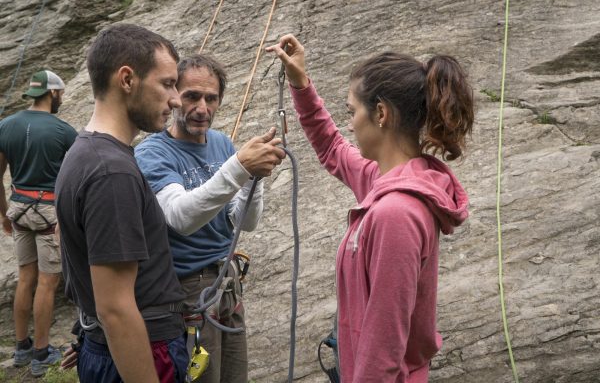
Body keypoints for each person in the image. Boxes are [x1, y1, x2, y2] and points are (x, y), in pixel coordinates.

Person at [267, 35, 473, 382]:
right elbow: (331, 146)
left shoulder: (397, 214)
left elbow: (384, 346)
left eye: (352, 112)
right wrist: (300, 83)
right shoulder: (385, 179)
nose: (349, 123)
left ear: (381, 114)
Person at [134, 54, 286, 383]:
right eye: (191, 96)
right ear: (174, 95)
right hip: (187, 292)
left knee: (234, 375)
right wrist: (240, 168)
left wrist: (253, 181)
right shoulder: (152, 153)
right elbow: (180, 217)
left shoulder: (221, 143)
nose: (202, 108)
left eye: (211, 98)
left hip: (227, 281)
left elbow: (243, 223)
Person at [55, 24, 189, 383]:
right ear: (127, 79)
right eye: (167, 84)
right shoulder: (111, 172)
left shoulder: (84, 153)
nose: (176, 100)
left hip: (112, 349)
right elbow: (115, 309)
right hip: (142, 350)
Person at [0, 70, 76, 377]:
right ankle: (42, 353)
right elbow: (76, 176)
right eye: (61, 94)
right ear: (53, 94)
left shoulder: (5, 125)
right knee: (47, 281)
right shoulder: (64, 131)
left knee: (25, 276)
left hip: (18, 210)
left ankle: (21, 347)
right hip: (48, 213)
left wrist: (3, 213)